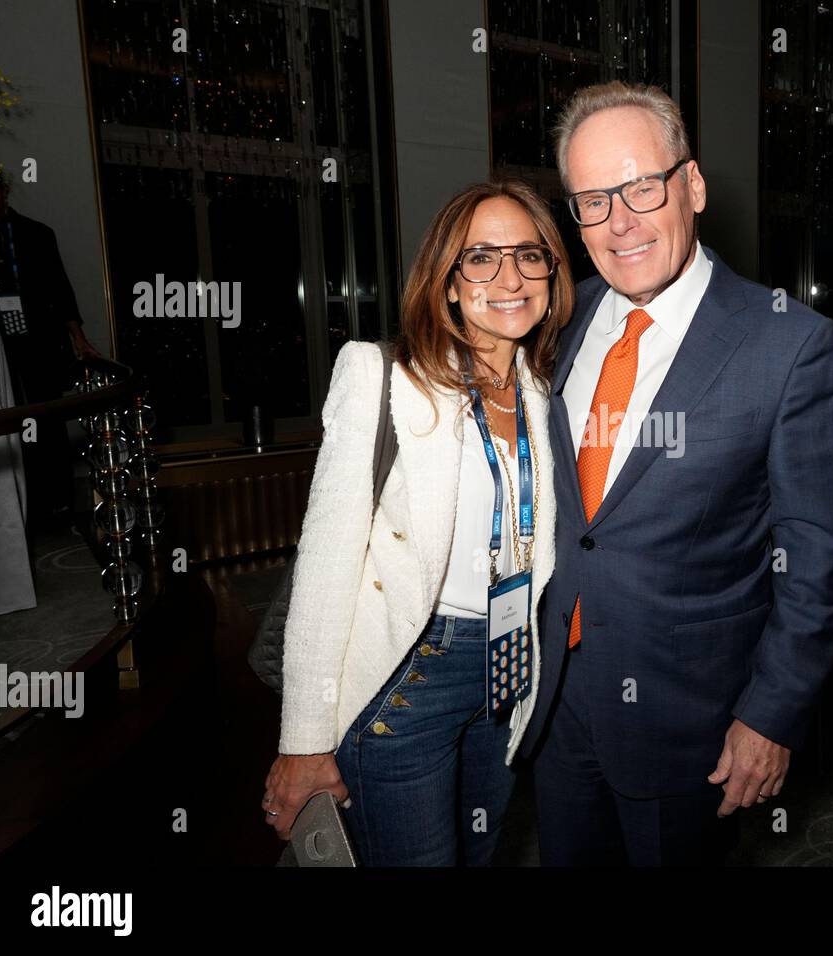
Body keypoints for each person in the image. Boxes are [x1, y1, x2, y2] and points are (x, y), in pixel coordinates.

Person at [519, 81, 833, 865]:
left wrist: (770, 716)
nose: (619, 221)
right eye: (592, 200)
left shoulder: (786, 342)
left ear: (692, 185)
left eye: (640, 185)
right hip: (556, 706)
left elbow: (815, 554)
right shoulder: (556, 322)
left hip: (691, 720)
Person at [261, 180, 573, 865]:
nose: (509, 277)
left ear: (552, 271)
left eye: (529, 255)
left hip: (508, 675)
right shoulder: (380, 374)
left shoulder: (549, 394)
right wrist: (303, 740)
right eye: (481, 258)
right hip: (409, 680)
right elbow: (326, 561)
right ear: (449, 281)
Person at [0, 153, 100, 529]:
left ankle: (59, 503)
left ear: (4, 192)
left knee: (46, 419)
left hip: (39, 341)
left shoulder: (36, 233)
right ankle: (18, 507)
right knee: (5, 421)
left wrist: (78, 337)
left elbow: (61, 290)